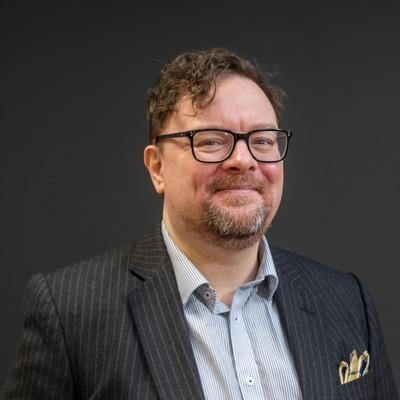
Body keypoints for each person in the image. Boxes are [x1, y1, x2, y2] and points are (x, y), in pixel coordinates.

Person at [1, 48, 398, 400]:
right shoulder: (73, 312)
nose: (242, 160)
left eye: (262, 140)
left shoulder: (346, 301)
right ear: (157, 167)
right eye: (210, 141)